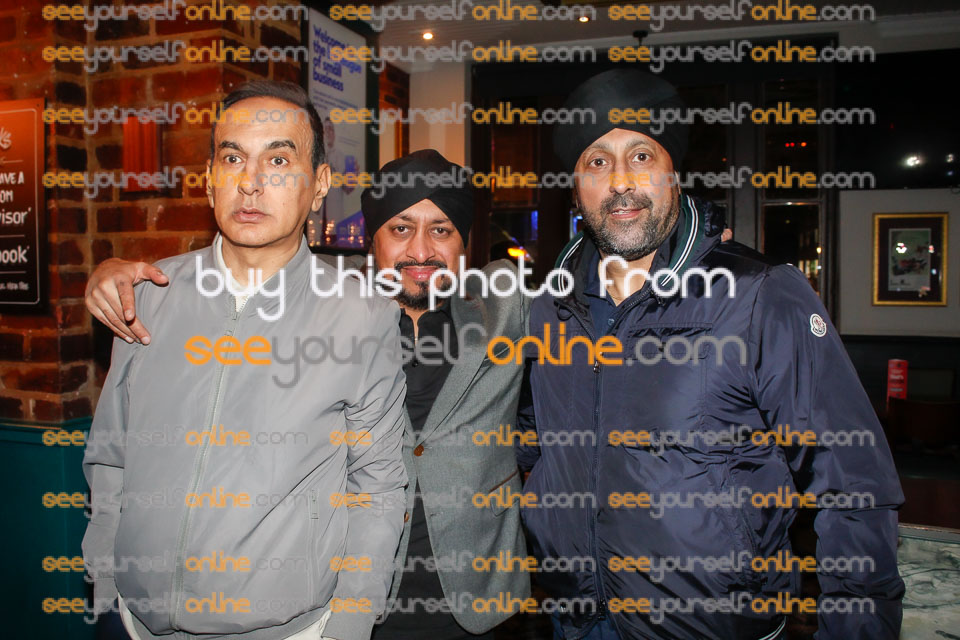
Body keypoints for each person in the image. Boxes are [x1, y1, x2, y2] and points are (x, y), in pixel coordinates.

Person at [516, 69, 905, 640]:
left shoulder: (759, 294)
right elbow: (532, 436)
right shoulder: (550, 307)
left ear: (674, 173)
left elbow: (853, 484)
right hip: (576, 620)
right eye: (597, 162)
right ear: (576, 188)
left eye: (641, 156)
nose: (620, 181)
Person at [85, 149, 531, 640]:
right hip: (350, 595)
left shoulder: (504, 308)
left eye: (441, 230)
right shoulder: (324, 306)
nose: (421, 251)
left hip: (475, 595)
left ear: (464, 242)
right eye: (401, 228)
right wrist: (113, 271)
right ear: (373, 240)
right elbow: (232, 282)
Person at [82, 81, 407, 640]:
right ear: (210, 179)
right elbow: (112, 455)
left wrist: (350, 624)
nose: (250, 182)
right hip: (137, 623)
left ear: (319, 184)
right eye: (233, 158)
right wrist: (106, 583)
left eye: (278, 160)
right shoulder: (148, 296)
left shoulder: (361, 315)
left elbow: (377, 488)